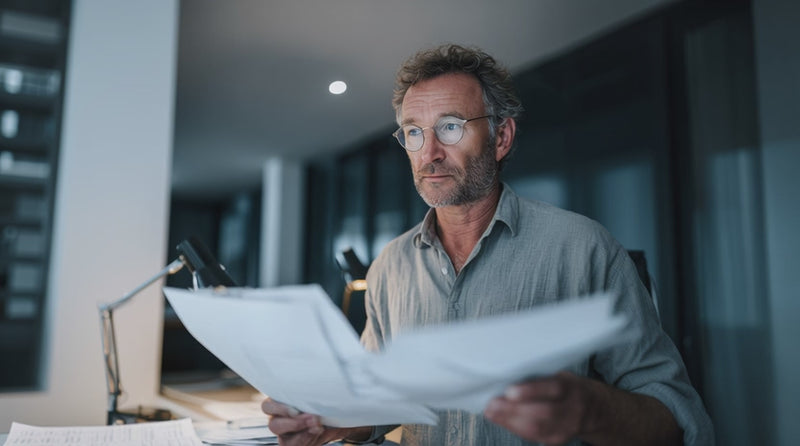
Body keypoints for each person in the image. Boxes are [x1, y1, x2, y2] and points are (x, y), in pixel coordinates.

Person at [262, 44, 714, 446]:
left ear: (501, 137)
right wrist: (334, 421)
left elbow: (678, 417)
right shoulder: (389, 266)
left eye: (451, 127)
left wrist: (591, 410)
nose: (429, 153)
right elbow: (381, 401)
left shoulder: (584, 249)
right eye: (414, 132)